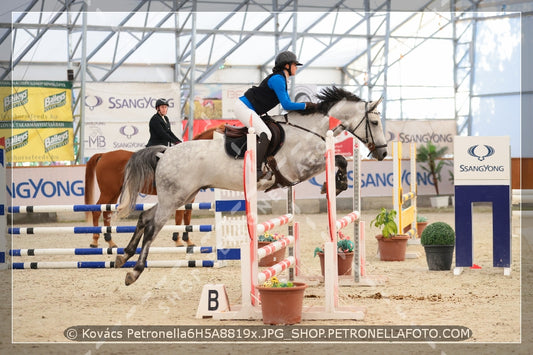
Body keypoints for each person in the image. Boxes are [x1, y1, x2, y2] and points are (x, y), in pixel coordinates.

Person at [235, 50, 318, 177]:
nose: (296, 67)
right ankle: (255, 169)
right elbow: (286, 105)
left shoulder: (281, 79)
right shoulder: (278, 79)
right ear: (286, 66)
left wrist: (306, 107)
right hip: (244, 108)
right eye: (294, 64)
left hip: (251, 109)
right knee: (266, 134)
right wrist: (306, 105)